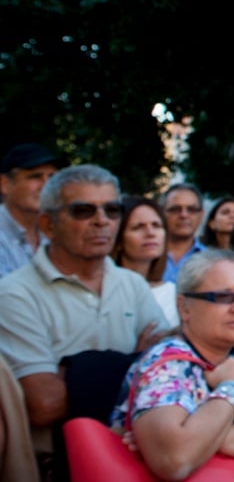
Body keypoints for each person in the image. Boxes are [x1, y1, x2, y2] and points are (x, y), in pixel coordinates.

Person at [0, 165, 171, 460]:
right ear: (48, 224)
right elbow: (45, 404)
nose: (102, 221)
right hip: (58, 464)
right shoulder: (15, 294)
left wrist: (74, 372)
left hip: (133, 458)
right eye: (83, 211)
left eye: (112, 210)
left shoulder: (132, 285)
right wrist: (137, 362)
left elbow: (172, 373)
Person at [109, 250, 234, 478]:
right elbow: (175, 459)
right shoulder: (165, 363)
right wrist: (232, 389)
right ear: (184, 307)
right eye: (222, 296)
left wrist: (203, 437)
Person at [111, 195, 179, 326]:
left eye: (156, 225)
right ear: (118, 240)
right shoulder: (103, 291)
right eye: (138, 227)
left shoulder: (173, 294)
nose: (150, 233)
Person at [0, 143, 64, 278]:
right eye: (35, 177)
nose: (47, 186)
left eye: (52, 177)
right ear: (5, 184)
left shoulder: (57, 232)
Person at [162, 183, 205, 283]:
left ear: (201, 215)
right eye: (175, 209)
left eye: (191, 209)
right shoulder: (147, 255)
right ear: (162, 213)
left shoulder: (212, 260)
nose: (184, 215)